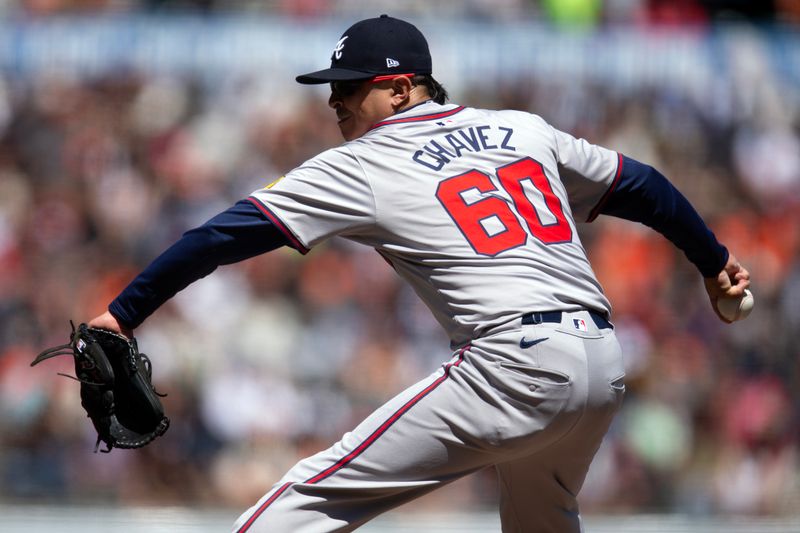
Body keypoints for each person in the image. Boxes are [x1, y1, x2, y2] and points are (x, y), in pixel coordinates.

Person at [88, 14, 750, 533]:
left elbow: (221, 235)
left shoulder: (368, 160)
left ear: (401, 87)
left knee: (311, 495)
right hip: (603, 366)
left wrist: (122, 312)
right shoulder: (522, 128)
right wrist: (714, 264)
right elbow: (644, 184)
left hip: (513, 364)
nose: (335, 102)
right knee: (541, 520)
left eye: (350, 87)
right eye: (332, 88)